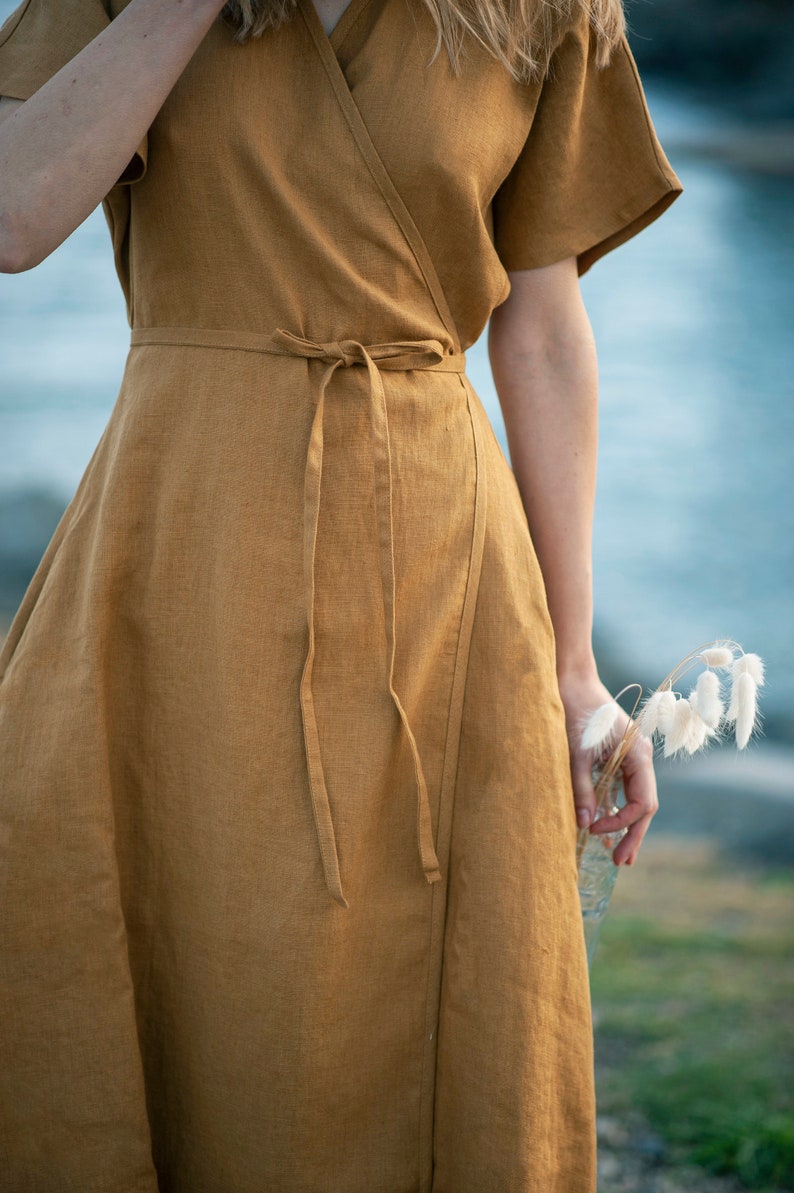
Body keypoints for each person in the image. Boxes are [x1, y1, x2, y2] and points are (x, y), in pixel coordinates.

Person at [0, 0, 681, 1186]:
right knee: (146, 933)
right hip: (178, 546)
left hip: (439, 558)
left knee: (432, 977)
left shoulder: (546, 10)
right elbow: (13, 217)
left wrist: (575, 670)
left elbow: (542, 329)